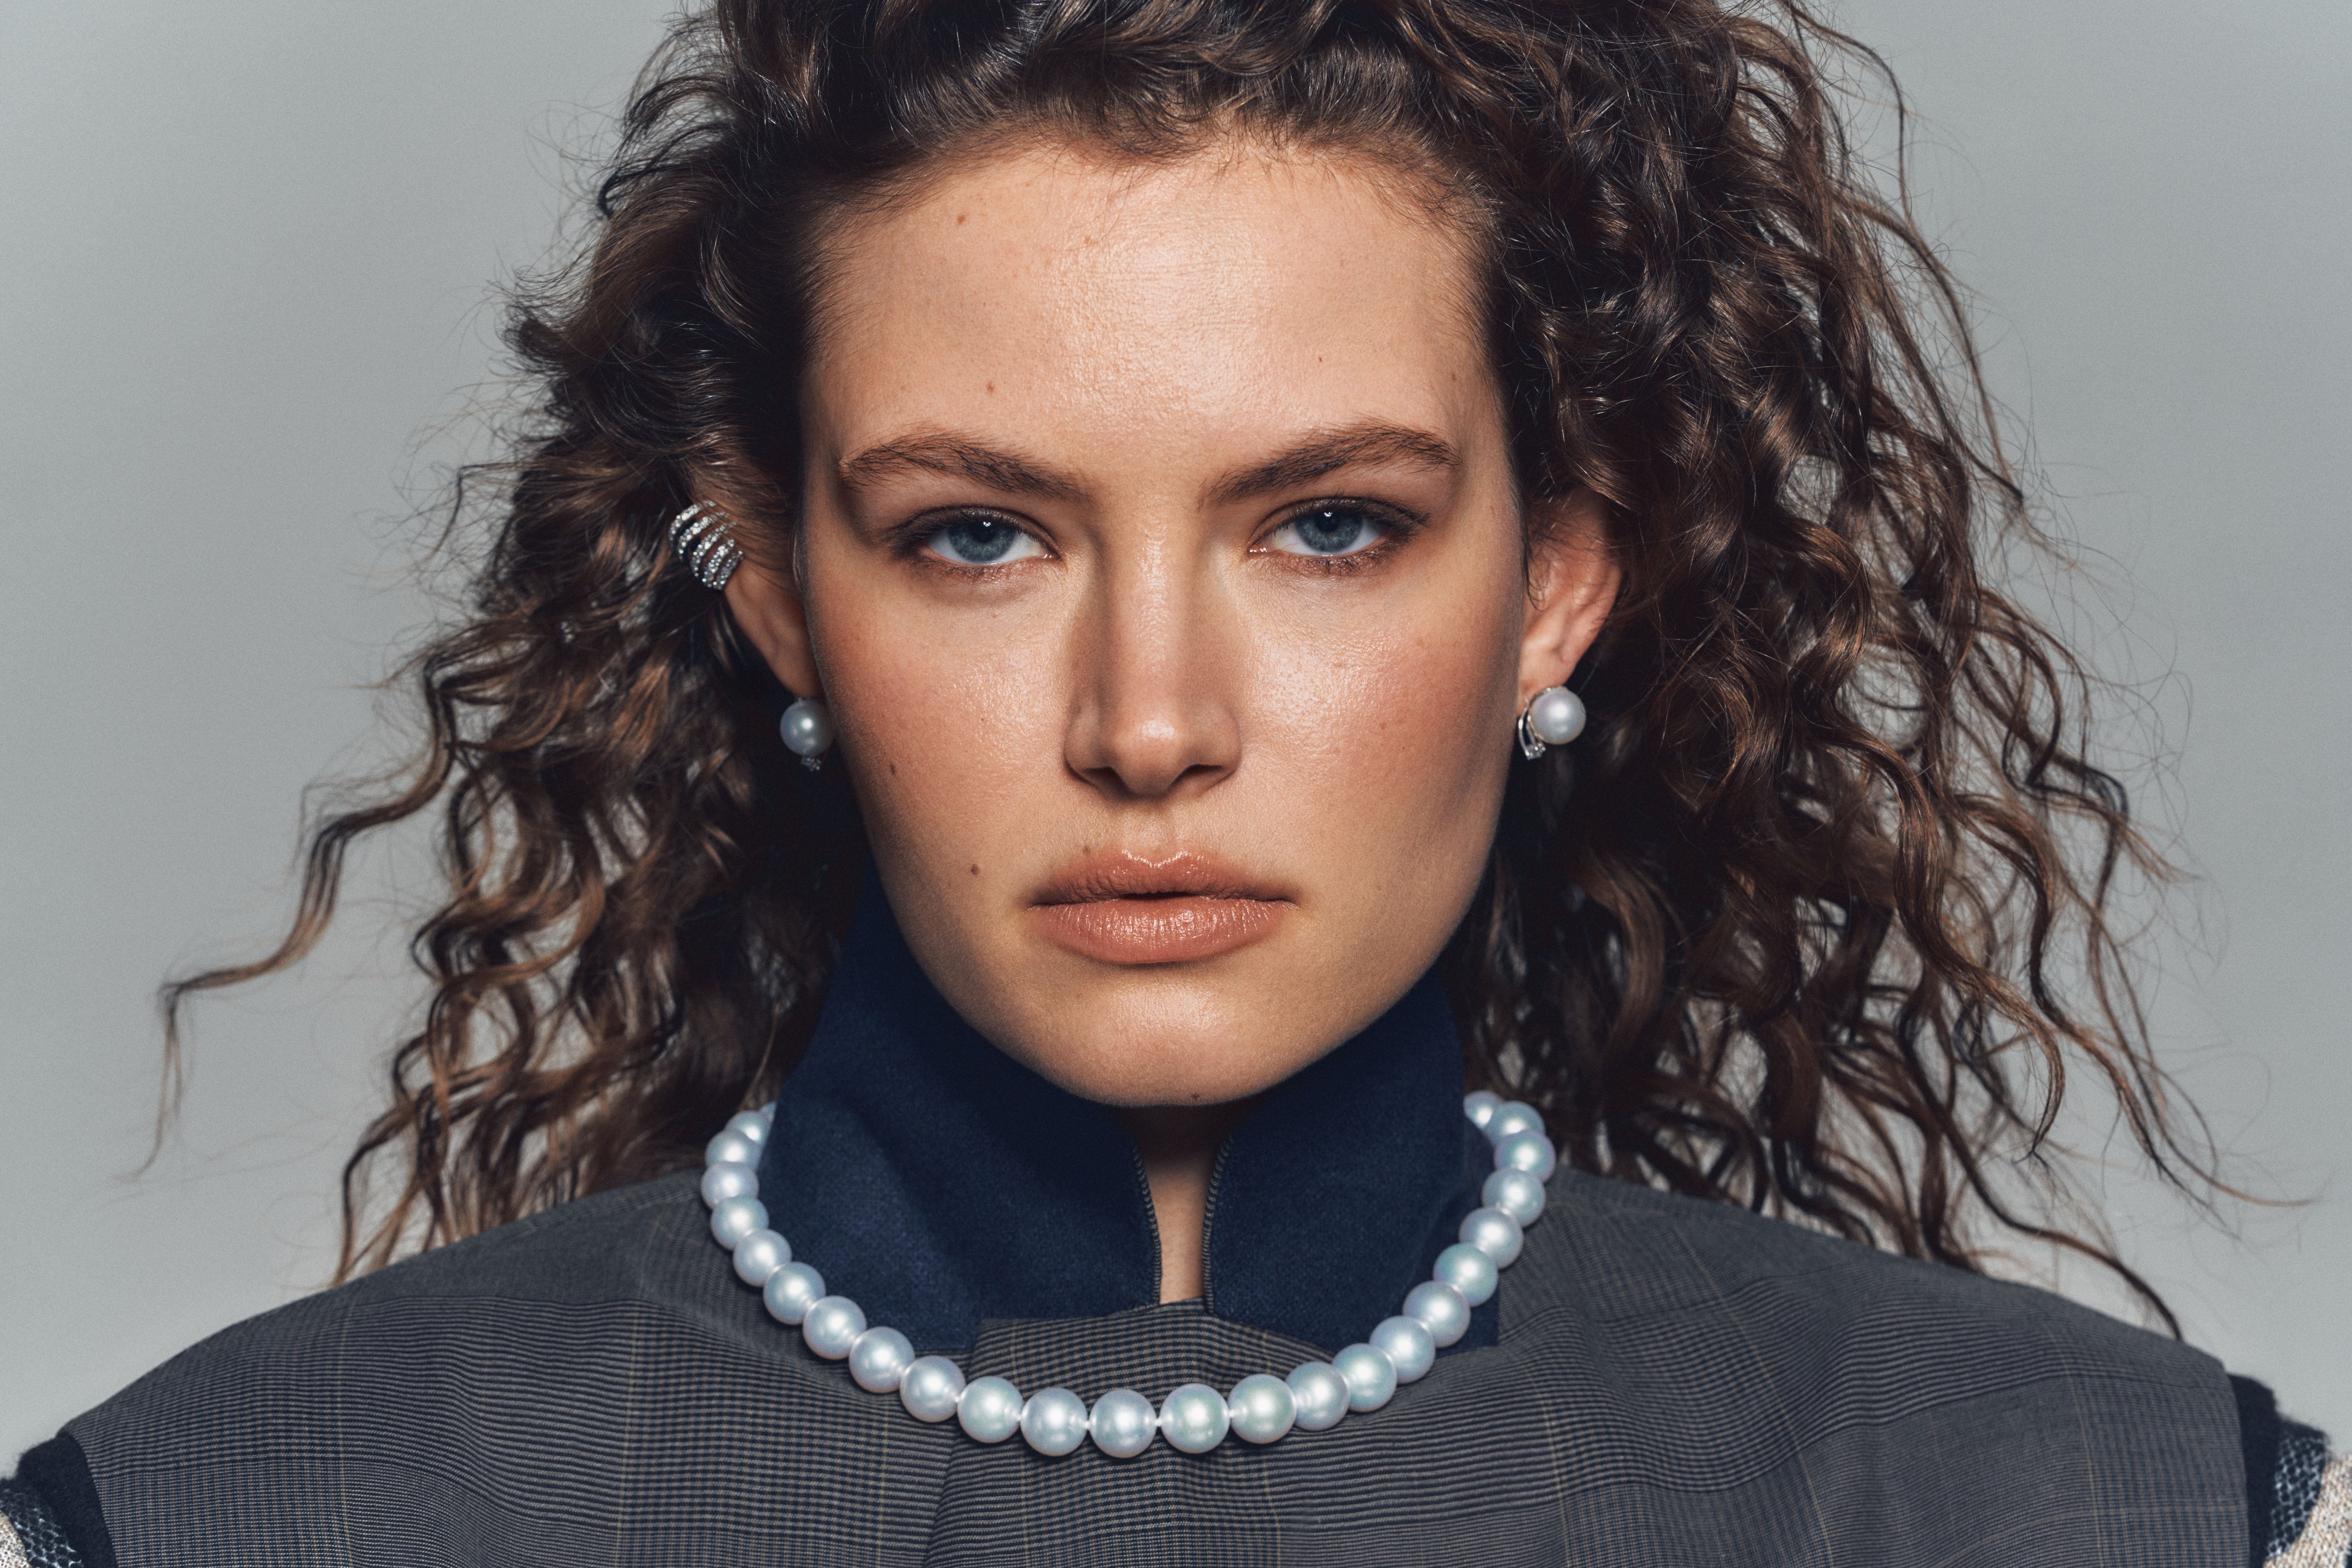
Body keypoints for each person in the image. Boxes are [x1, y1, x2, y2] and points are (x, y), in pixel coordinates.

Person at [3, 0, 2341, 1562]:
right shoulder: (244, 1510)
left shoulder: (2098, 1503)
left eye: (1332, 525)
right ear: (786, 590)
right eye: (977, 534)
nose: (1148, 724)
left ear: (1557, 587)